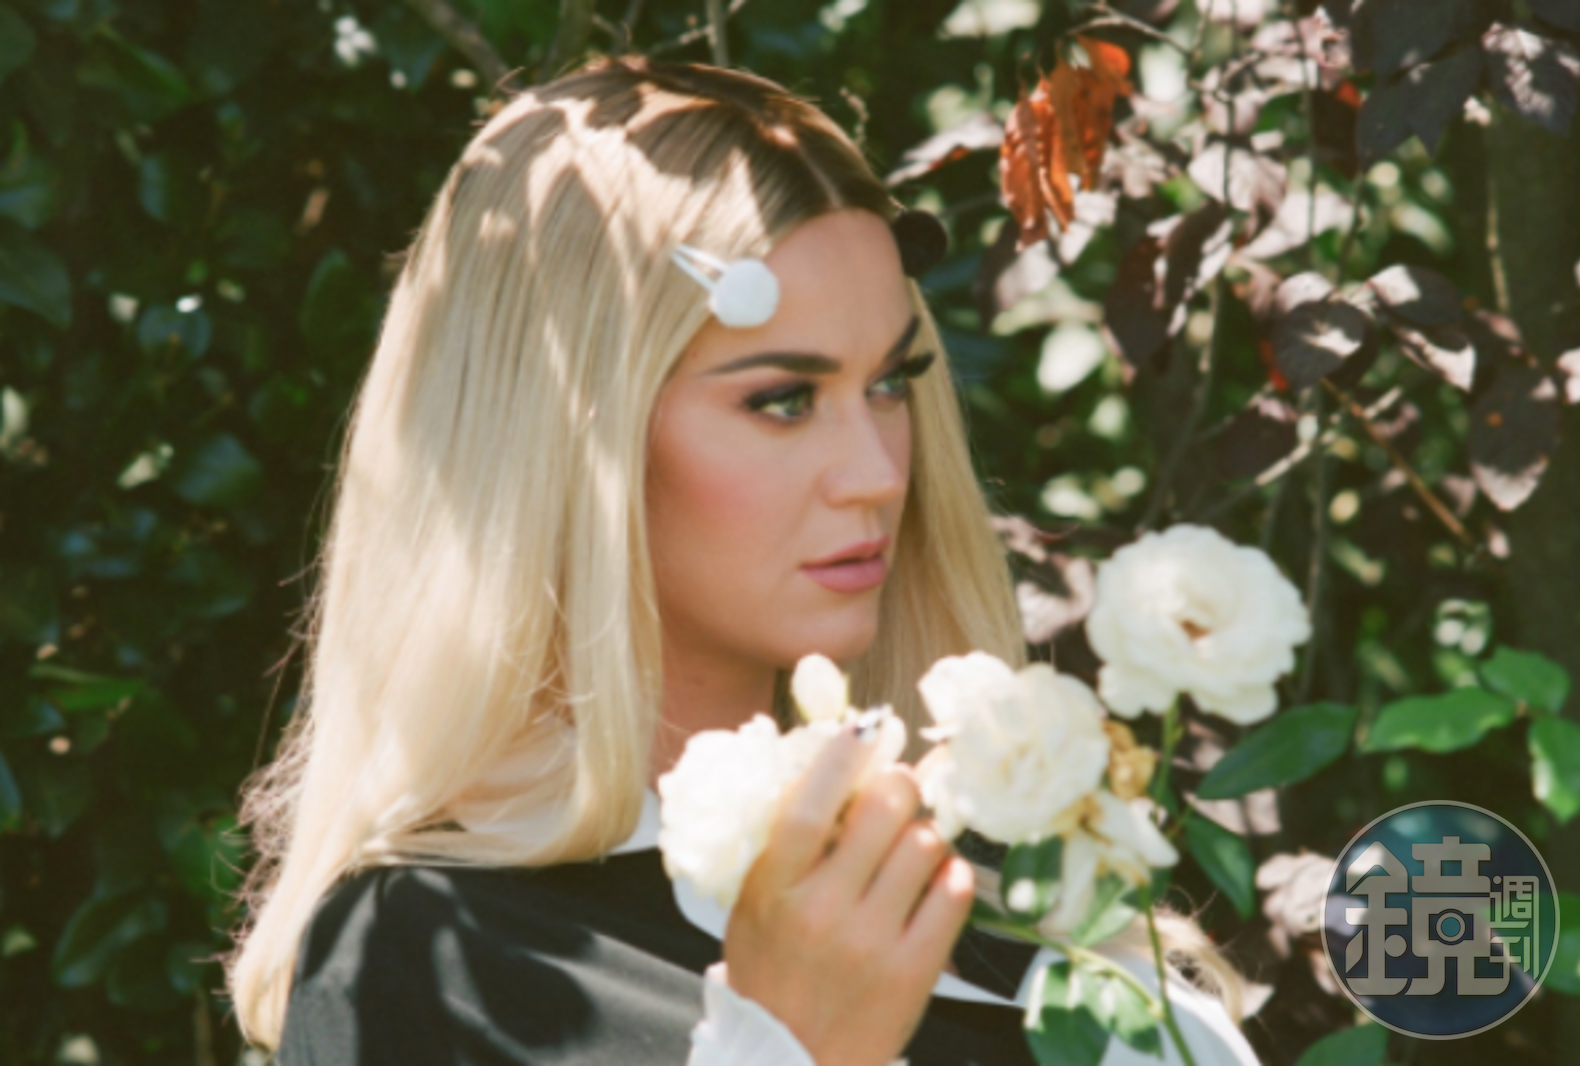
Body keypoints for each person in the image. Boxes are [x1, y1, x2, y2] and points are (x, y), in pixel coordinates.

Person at [224, 54, 1260, 1065]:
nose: (876, 474)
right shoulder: (425, 959)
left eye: (890, 384)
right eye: (783, 399)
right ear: (571, 443)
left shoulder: (1035, 926)